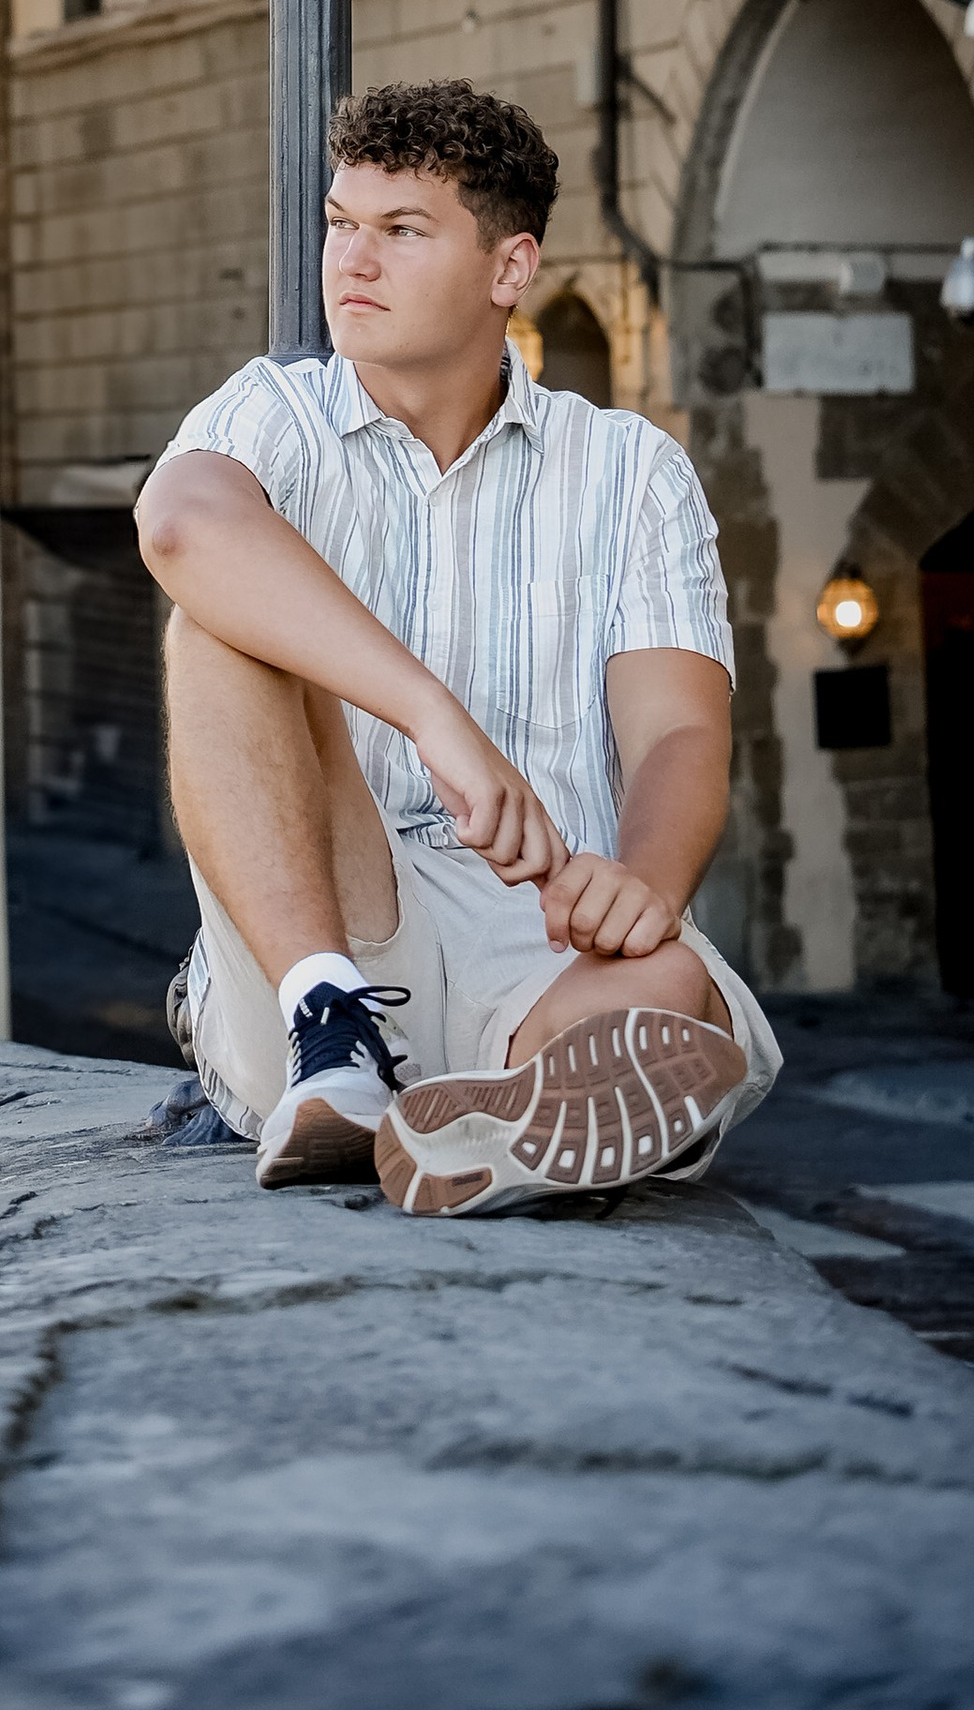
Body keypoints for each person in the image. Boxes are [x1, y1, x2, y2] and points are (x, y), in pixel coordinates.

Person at [136, 78, 779, 1213]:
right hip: (321, 917)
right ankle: (339, 1047)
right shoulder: (271, 416)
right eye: (341, 224)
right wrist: (438, 720)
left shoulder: (629, 470)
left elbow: (679, 726)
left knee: (671, 985)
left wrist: (644, 883)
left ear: (508, 270)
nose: (351, 261)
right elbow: (181, 526)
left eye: (401, 231)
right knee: (218, 626)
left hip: (532, 928)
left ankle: (489, 1121)